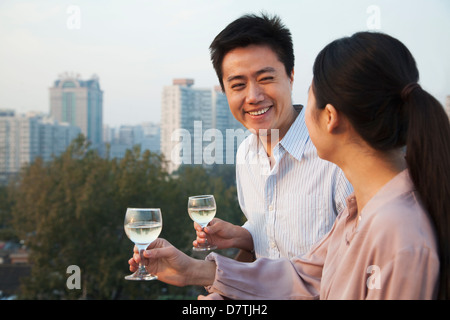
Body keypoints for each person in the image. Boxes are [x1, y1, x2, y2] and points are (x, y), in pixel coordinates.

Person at [130, 31, 450, 299]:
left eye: (309, 100)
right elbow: (304, 276)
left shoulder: (397, 233)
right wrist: (193, 270)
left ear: (329, 118)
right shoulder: (359, 212)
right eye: (238, 84)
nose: (254, 96)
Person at [193, 13, 353, 261]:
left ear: (290, 76)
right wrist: (243, 236)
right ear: (225, 92)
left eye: (266, 79)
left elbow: (361, 260)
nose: (253, 96)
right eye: (238, 85)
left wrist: (196, 272)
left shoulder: (336, 153)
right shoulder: (246, 154)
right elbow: (270, 247)